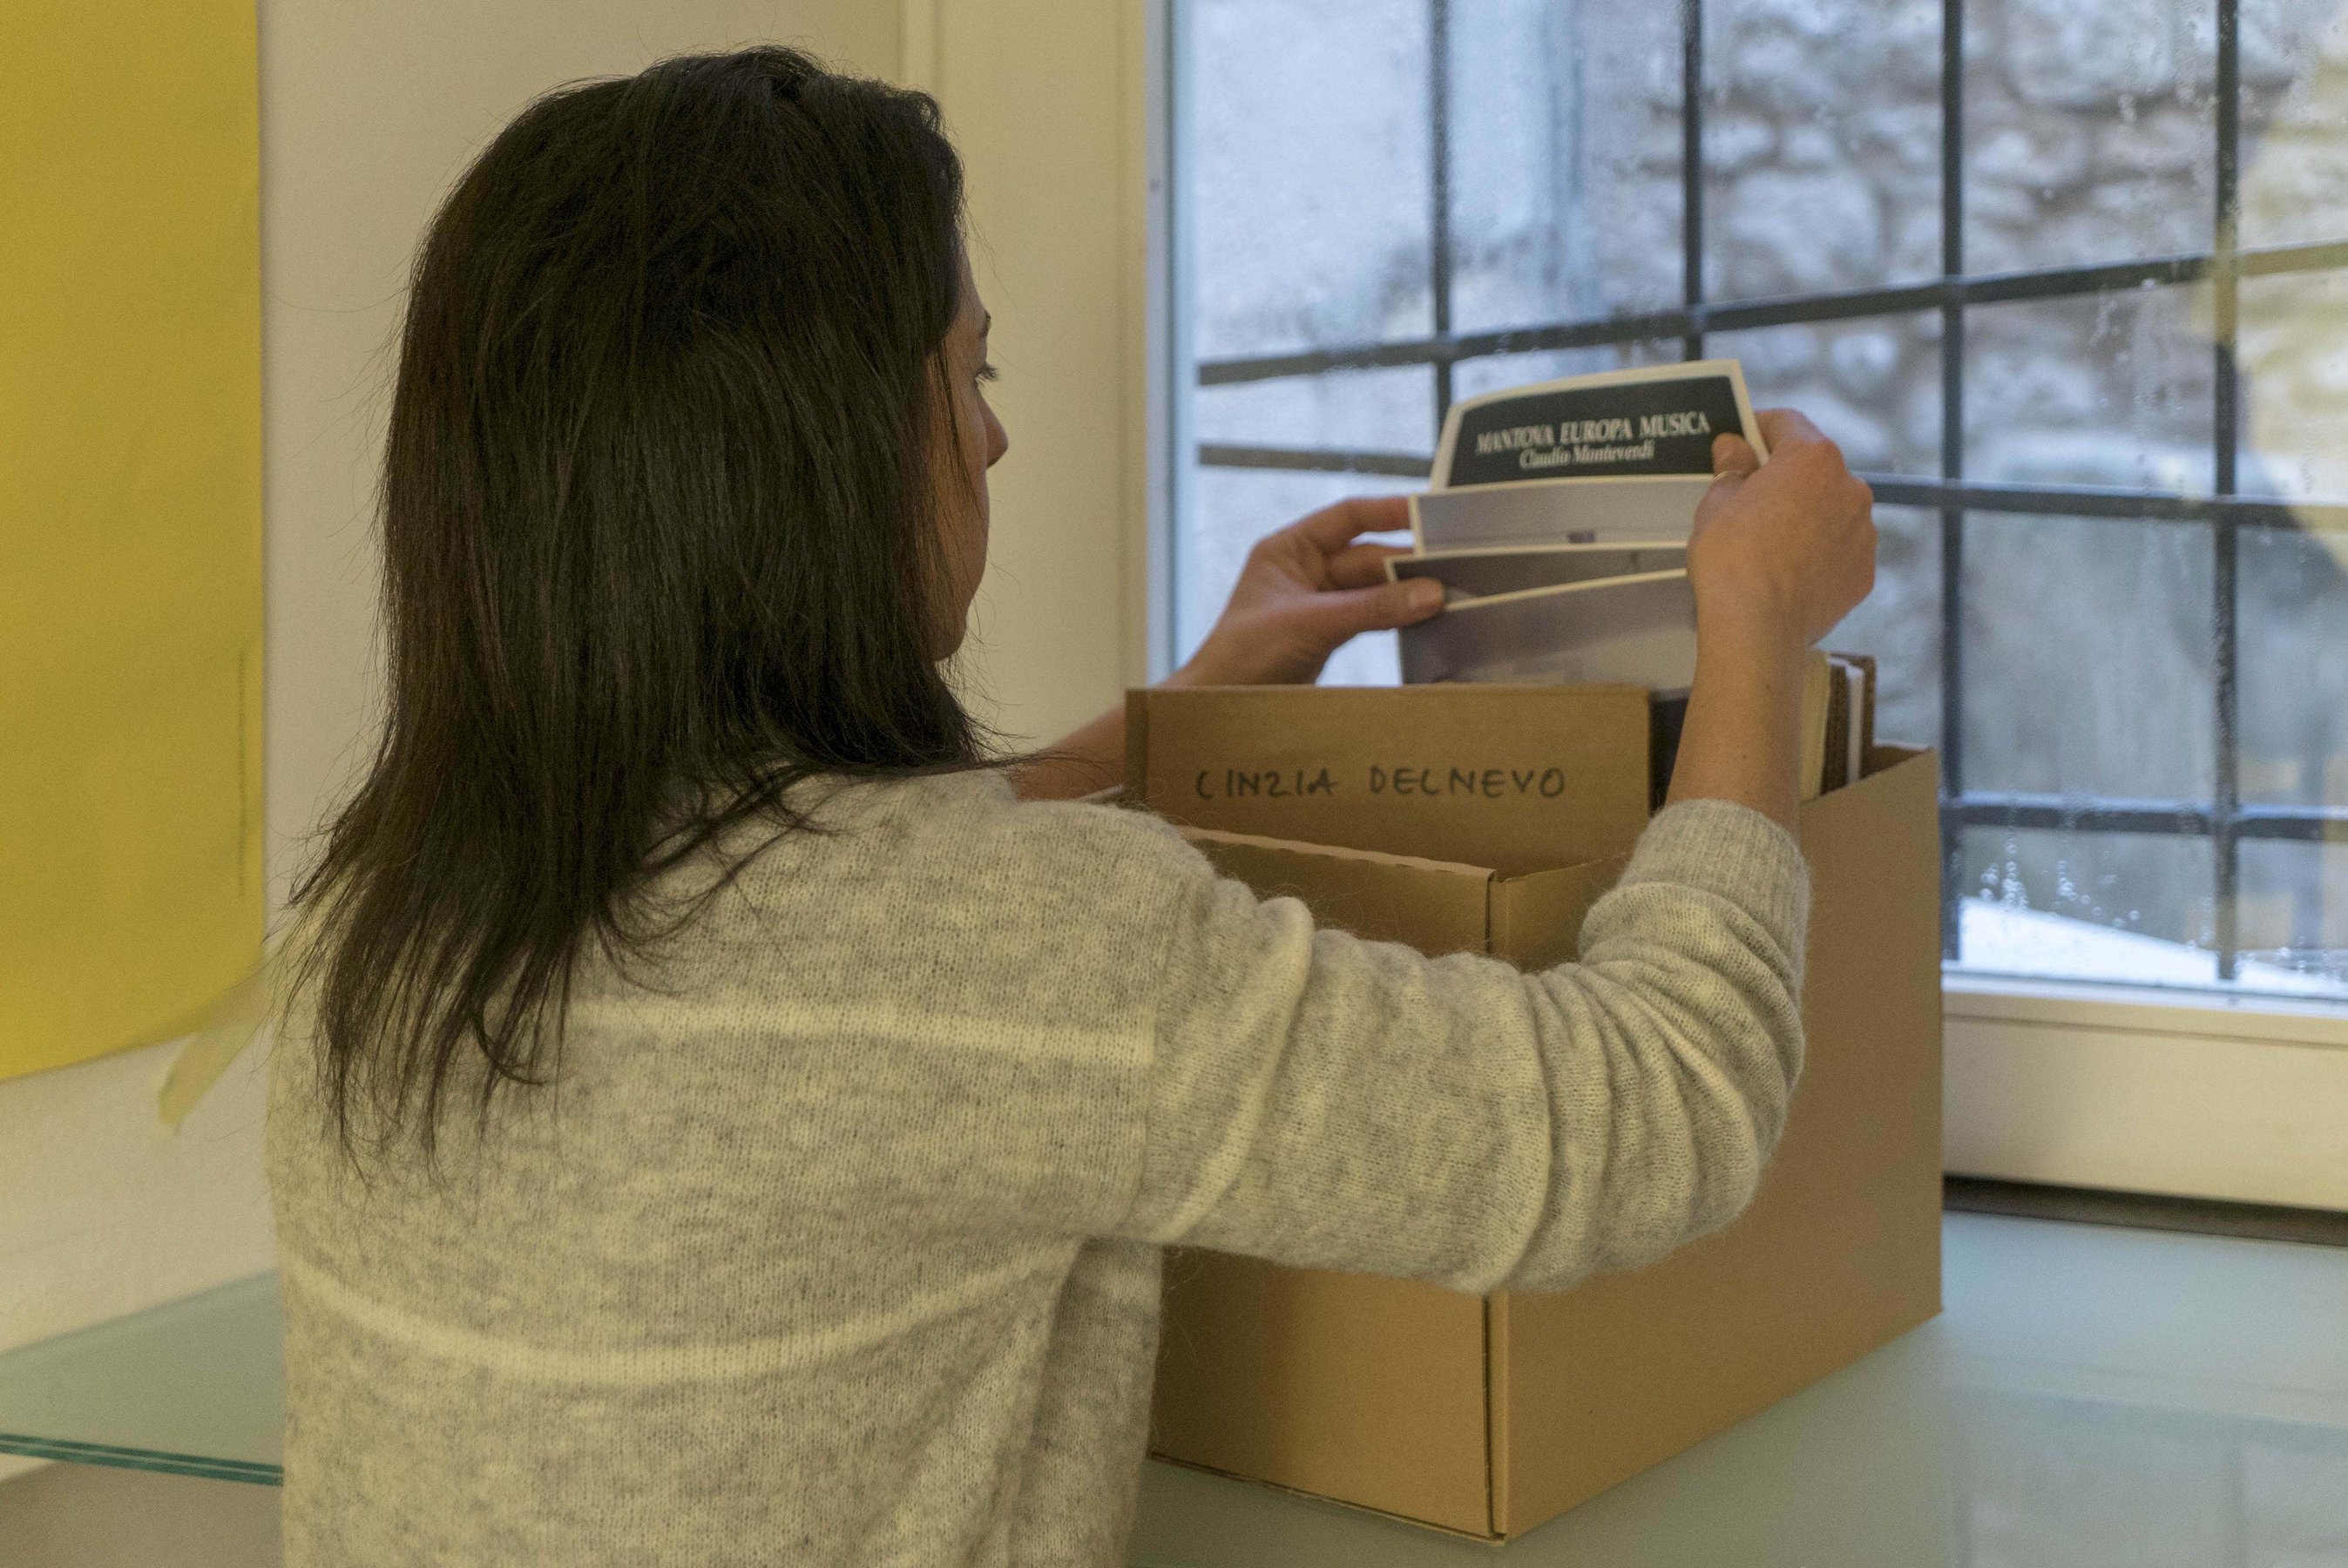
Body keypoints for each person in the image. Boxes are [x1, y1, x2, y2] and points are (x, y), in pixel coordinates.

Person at [264, 46, 1875, 1568]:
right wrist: (1754, 635)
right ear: (812, 454)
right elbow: (1658, 1106)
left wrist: (1182, 715)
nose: (993, 433)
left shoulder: (374, 914)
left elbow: (781, 921)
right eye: (967, 372)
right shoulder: (1012, 950)